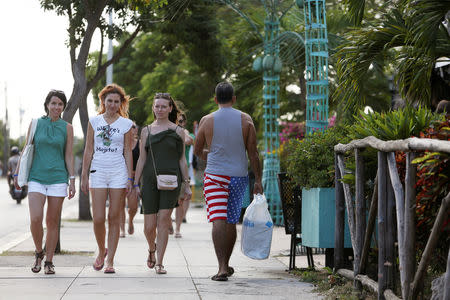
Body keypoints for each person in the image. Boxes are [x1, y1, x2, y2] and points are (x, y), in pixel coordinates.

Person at [194, 81, 263, 281]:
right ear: (234, 99)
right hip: (239, 176)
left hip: (215, 176)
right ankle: (226, 263)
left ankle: (222, 267)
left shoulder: (207, 121)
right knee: (231, 219)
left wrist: (213, 155)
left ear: (215, 100)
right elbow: (253, 153)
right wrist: (257, 180)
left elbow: (198, 151)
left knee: (218, 218)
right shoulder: (246, 119)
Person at [13, 89, 75, 275]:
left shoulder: (67, 128)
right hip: (36, 178)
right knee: (35, 219)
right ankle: (38, 251)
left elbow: (69, 154)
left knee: (52, 221)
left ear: (63, 107)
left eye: (60, 104)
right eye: (53, 103)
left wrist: (72, 180)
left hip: (58, 178)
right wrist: (17, 174)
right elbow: (26, 150)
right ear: (47, 104)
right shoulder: (35, 124)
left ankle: (49, 260)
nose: (56, 107)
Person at [134, 92, 192, 275]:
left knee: (164, 221)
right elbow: (142, 159)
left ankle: (160, 262)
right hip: (149, 181)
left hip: (172, 181)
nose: (159, 109)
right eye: (156, 106)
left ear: (170, 108)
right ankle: (152, 248)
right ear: (153, 108)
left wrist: (187, 184)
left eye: (163, 106)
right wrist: (135, 184)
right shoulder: (146, 131)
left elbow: (182, 160)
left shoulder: (178, 131)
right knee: (148, 227)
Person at [81, 84, 133, 274]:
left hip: (118, 171)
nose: (112, 104)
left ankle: (110, 261)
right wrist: (84, 174)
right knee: (99, 218)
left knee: (113, 217)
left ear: (121, 103)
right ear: (103, 101)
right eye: (109, 101)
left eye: (116, 101)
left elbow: (128, 151)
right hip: (98, 171)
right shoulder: (94, 122)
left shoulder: (126, 124)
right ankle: (102, 249)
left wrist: (130, 177)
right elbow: (88, 149)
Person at [173, 112, 194, 238]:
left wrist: (182, 130)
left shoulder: (187, 134)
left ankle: (177, 228)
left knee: (180, 201)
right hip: (169, 170)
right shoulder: (169, 131)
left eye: (181, 122)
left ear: (184, 123)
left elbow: (189, 141)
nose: (178, 124)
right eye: (176, 121)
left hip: (182, 170)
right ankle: (169, 224)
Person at [120, 122, 140, 237]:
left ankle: (130, 220)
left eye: (132, 127)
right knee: (120, 205)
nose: (130, 129)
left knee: (133, 206)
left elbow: (142, 161)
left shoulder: (140, 144)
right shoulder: (120, 144)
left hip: (134, 179)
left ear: (136, 129)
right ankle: (122, 229)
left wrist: (135, 176)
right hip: (121, 177)